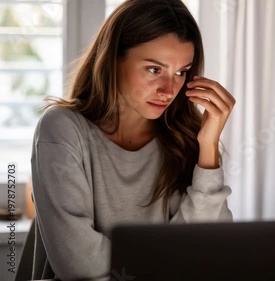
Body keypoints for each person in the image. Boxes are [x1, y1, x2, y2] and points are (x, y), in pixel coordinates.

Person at [29, 0, 235, 280]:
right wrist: (172, 262)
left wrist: (208, 147)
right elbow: (80, 267)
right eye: (154, 69)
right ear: (114, 58)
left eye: (180, 72)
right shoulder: (62, 129)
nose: (169, 89)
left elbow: (208, 247)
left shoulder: (187, 139)